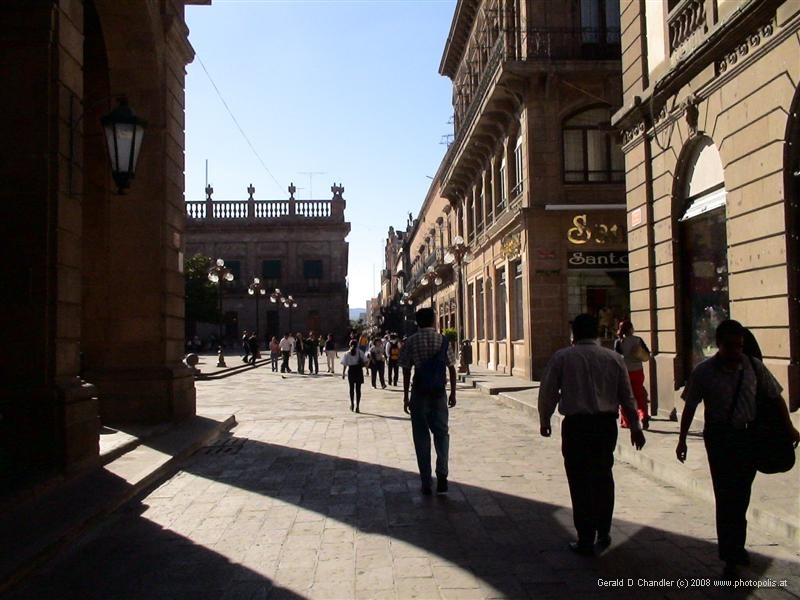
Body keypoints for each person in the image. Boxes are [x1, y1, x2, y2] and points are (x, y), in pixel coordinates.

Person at [676, 320, 799, 577]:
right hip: (719, 439)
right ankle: (730, 554)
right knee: (725, 495)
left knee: (741, 494)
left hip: (747, 437)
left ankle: (736, 546)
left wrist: (789, 428)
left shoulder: (754, 367)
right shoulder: (704, 372)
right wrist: (682, 439)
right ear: (718, 345)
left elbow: (776, 397)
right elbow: (689, 406)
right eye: (729, 346)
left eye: (739, 346)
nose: (735, 352)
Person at [538, 313, 646, 556]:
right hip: (605, 425)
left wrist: (545, 419)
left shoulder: (563, 357)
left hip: (576, 427)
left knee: (579, 480)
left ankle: (585, 536)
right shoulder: (614, 358)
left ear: (574, 333)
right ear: (597, 333)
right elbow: (627, 396)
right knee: (603, 476)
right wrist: (636, 428)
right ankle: (604, 530)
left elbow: (548, 392)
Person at [400, 308, 457, 496]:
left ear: (417, 322)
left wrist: (406, 396)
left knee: (421, 438)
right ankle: (442, 475)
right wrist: (453, 393)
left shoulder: (410, 342)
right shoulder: (442, 340)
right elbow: (451, 368)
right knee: (442, 434)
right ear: (433, 320)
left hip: (419, 393)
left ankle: (426, 481)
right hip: (439, 393)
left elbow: (406, 370)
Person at [614, 320, 651, 430]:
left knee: (625, 397)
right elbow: (647, 353)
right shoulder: (638, 340)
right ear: (631, 329)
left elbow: (616, 358)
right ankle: (643, 415)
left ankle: (627, 421)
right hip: (638, 371)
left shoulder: (619, 342)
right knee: (639, 395)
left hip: (624, 372)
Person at [341, 340, 367, 412]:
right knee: (358, 390)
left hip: (351, 371)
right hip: (358, 370)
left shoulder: (346, 354)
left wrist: (343, 373)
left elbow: (345, 364)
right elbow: (366, 361)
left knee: (351, 389)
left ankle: (352, 404)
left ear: (349, 345)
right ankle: (357, 406)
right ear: (357, 345)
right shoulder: (360, 352)